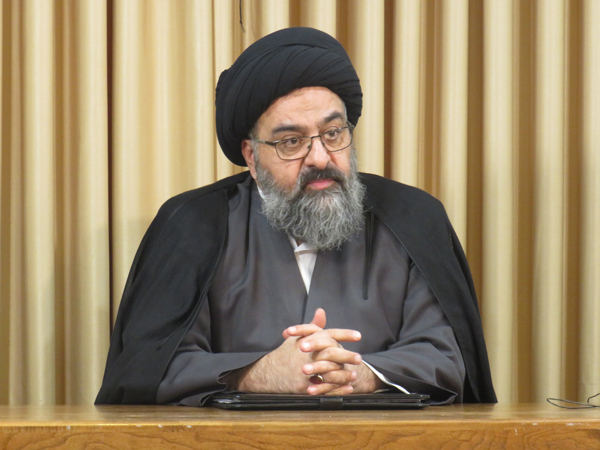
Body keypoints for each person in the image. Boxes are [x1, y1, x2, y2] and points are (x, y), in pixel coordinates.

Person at [96, 27, 496, 406]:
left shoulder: (412, 217)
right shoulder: (193, 224)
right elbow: (153, 367)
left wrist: (358, 375)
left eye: (333, 133)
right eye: (291, 141)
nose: (319, 157)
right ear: (252, 156)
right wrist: (259, 374)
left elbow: (445, 356)